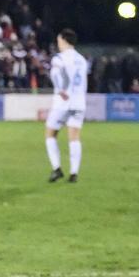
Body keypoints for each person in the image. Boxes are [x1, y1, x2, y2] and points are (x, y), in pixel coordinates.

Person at [45, 29, 88, 183]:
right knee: (74, 137)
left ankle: (57, 169)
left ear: (63, 40)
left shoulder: (59, 58)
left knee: (50, 134)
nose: (58, 44)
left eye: (59, 41)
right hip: (79, 101)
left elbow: (55, 75)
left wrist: (61, 89)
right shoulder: (82, 59)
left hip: (63, 101)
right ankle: (74, 173)